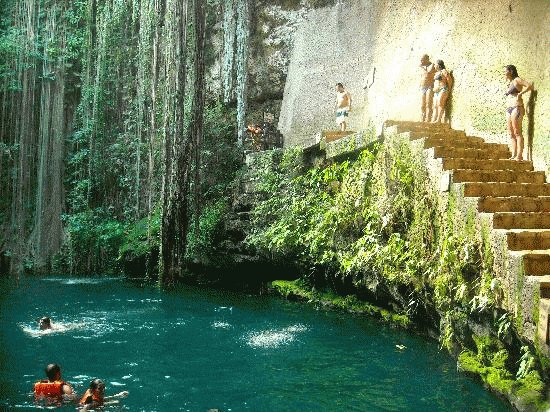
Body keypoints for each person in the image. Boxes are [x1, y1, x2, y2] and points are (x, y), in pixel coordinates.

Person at [504, 64, 532, 161]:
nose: (504, 72)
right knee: (511, 132)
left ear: (511, 71)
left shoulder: (517, 80)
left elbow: (529, 86)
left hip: (517, 107)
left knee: (517, 132)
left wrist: (520, 94)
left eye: (505, 70)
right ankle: (514, 154)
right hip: (509, 108)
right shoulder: (509, 82)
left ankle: (519, 155)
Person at [419, 54, 436, 122]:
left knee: (428, 103)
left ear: (427, 59)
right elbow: (422, 77)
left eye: (422, 59)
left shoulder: (432, 65)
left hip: (430, 86)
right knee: (422, 104)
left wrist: (422, 68)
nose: (421, 61)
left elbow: (428, 73)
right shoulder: (423, 67)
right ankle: (422, 118)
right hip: (423, 87)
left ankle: (428, 119)